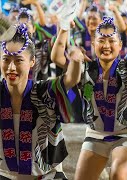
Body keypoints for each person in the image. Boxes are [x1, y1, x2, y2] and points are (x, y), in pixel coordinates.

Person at [51, 16, 127, 179]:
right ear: (93, 44)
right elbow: (56, 58)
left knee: (117, 176)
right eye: (101, 40)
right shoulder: (85, 67)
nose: (106, 46)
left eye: (111, 41)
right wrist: (64, 28)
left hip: (126, 133)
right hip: (96, 133)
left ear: (120, 45)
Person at [0, 23, 83, 179]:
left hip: (46, 175)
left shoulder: (44, 91)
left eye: (18, 61)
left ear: (32, 62)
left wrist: (76, 62)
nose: (11, 67)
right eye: (6, 60)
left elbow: (71, 79)